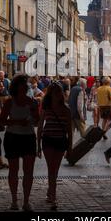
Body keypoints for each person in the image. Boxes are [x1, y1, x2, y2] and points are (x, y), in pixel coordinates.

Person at [0, 74, 40, 211]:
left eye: (25, 84)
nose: (25, 85)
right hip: (13, 137)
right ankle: (14, 200)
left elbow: (37, 120)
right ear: (16, 87)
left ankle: (26, 201)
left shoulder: (32, 101)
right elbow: (2, 121)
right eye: (22, 83)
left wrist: (34, 113)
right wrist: (18, 122)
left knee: (28, 171)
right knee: (14, 170)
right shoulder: (10, 102)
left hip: (28, 137)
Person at [37, 82, 73, 210]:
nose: (57, 95)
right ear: (50, 94)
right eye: (54, 92)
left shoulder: (66, 109)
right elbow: (40, 126)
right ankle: (53, 196)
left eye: (58, 92)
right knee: (51, 169)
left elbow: (70, 131)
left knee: (54, 169)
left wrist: (69, 148)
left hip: (60, 141)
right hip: (47, 140)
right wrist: (38, 146)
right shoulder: (46, 108)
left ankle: (51, 192)